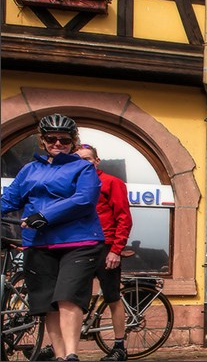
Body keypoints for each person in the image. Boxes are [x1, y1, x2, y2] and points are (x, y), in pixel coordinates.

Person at [1, 114, 105, 362]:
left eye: (64, 139)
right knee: (47, 302)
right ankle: (59, 356)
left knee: (67, 296)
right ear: (43, 140)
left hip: (78, 242)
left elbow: (84, 199)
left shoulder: (83, 167)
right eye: (51, 139)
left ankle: (71, 355)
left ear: (73, 142)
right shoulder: (29, 170)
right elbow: (9, 200)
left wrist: (44, 215)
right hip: (38, 243)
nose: (57, 143)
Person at [75, 144, 134, 361]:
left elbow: (123, 218)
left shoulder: (111, 182)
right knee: (70, 298)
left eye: (87, 159)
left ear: (96, 161)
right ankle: (59, 347)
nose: (83, 163)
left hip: (106, 246)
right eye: (78, 159)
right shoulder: (72, 185)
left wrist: (116, 250)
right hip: (79, 247)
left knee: (112, 296)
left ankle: (119, 347)